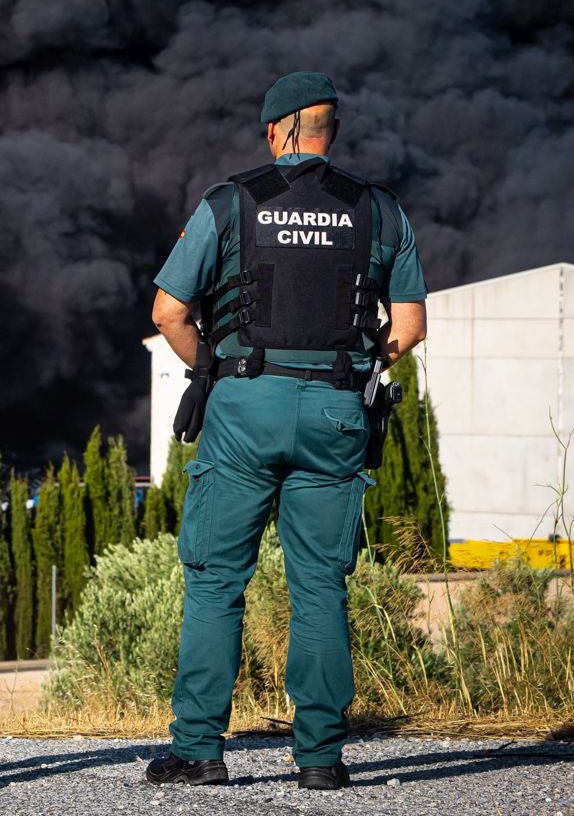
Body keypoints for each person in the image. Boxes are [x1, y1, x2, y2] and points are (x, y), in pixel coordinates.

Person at [145, 72, 428, 791]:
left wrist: (215, 368)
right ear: (331, 132)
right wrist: (362, 366)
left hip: (243, 407)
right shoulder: (380, 211)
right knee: (320, 586)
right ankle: (321, 760)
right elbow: (411, 327)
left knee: (215, 583)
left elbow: (167, 313)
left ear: (276, 131)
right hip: (336, 409)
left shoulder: (229, 203)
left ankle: (199, 750)